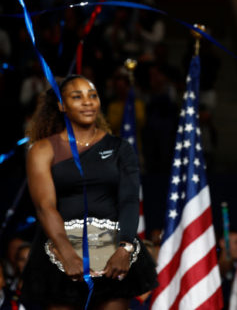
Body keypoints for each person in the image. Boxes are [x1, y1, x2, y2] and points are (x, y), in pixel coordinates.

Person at [20, 75, 157, 309]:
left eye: (92, 95)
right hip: (59, 252)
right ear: (62, 106)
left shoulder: (120, 148)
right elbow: (45, 206)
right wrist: (67, 252)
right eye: (77, 97)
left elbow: (129, 200)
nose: (87, 102)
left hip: (114, 253)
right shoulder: (42, 150)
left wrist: (125, 248)